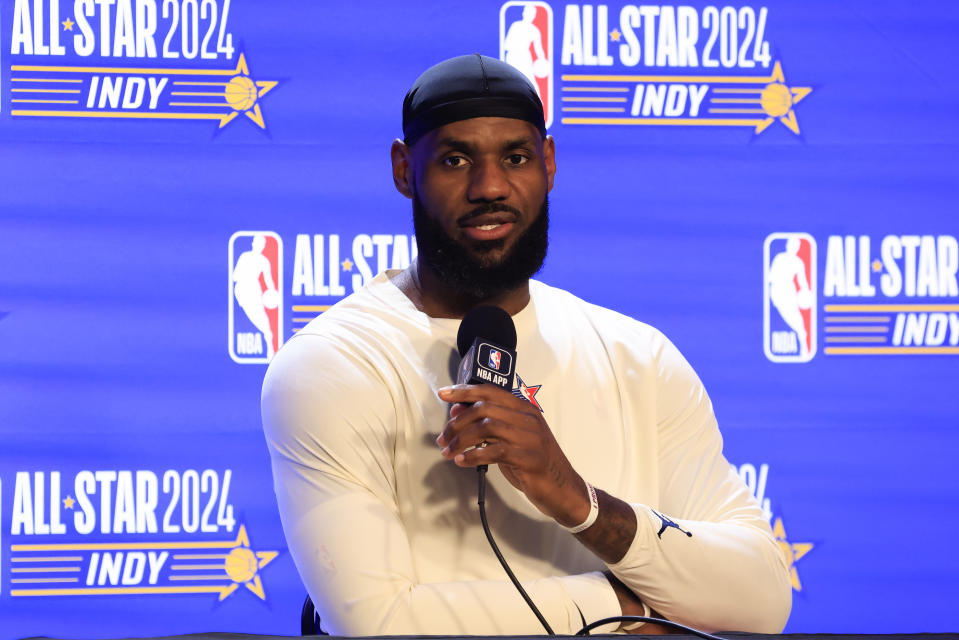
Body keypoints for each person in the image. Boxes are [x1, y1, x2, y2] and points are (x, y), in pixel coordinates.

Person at [261, 54, 791, 636]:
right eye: (456, 159)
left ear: (549, 163)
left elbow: (762, 597)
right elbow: (380, 625)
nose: (490, 187)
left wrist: (576, 500)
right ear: (404, 169)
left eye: (515, 158)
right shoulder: (332, 366)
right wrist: (632, 608)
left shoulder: (640, 357)